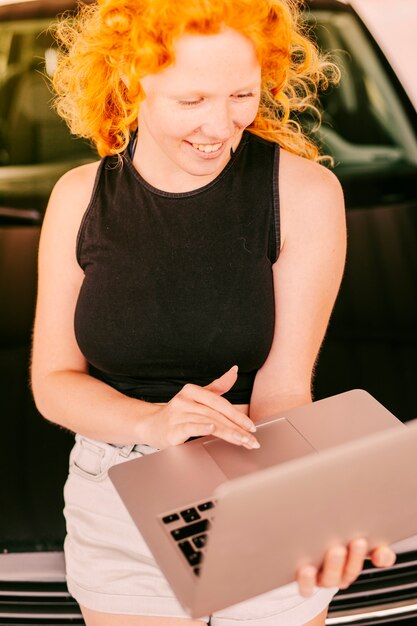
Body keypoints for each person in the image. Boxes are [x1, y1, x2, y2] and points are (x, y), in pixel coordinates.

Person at [31, 0, 397, 624]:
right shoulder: (78, 198)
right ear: (129, 78)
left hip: (259, 474)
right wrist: (152, 423)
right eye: (192, 100)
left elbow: (284, 391)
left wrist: (310, 507)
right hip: (114, 490)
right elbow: (54, 383)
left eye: (241, 94)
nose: (221, 126)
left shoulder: (304, 194)